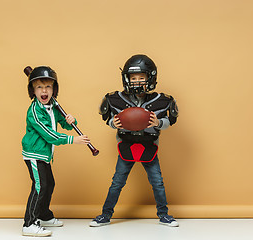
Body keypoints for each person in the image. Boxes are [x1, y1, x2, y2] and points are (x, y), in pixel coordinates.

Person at [90, 54, 179, 227]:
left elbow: (169, 122)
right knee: (117, 183)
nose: (137, 82)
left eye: (141, 78)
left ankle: (164, 215)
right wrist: (113, 123)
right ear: (126, 79)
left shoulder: (161, 101)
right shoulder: (115, 99)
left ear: (150, 78)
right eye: (133, 78)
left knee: (157, 183)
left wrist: (158, 122)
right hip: (126, 145)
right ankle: (105, 215)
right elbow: (109, 120)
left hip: (149, 146)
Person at [21, 66, 90, 237]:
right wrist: (73, 140)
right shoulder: (35, 112)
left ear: (54, 89)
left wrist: (70, 120)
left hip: (45, 154)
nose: (44, 91)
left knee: (49, 184)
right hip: (34, 154)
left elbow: (62, 123)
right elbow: (50, 135)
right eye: (39, 87)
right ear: (33, 90)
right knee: (40, 186)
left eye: (48, 87)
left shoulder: (52, 106)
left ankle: (43, 215)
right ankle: (29, 223)